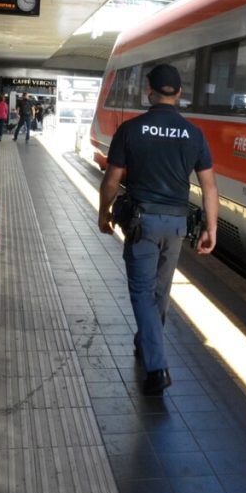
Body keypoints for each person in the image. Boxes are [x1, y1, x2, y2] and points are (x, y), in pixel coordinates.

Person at [97, 63, 218, 395]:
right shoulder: (194, 133)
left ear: (148, 91)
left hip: (143, 223)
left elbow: (111, 180)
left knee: (142, 292)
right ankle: (146, 342)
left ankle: (157, 367)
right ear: (178, 93)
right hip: (176, 224)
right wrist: (211, 227)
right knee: (160, 292)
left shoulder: (131, 129)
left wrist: (104, 212)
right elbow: (209, 186)